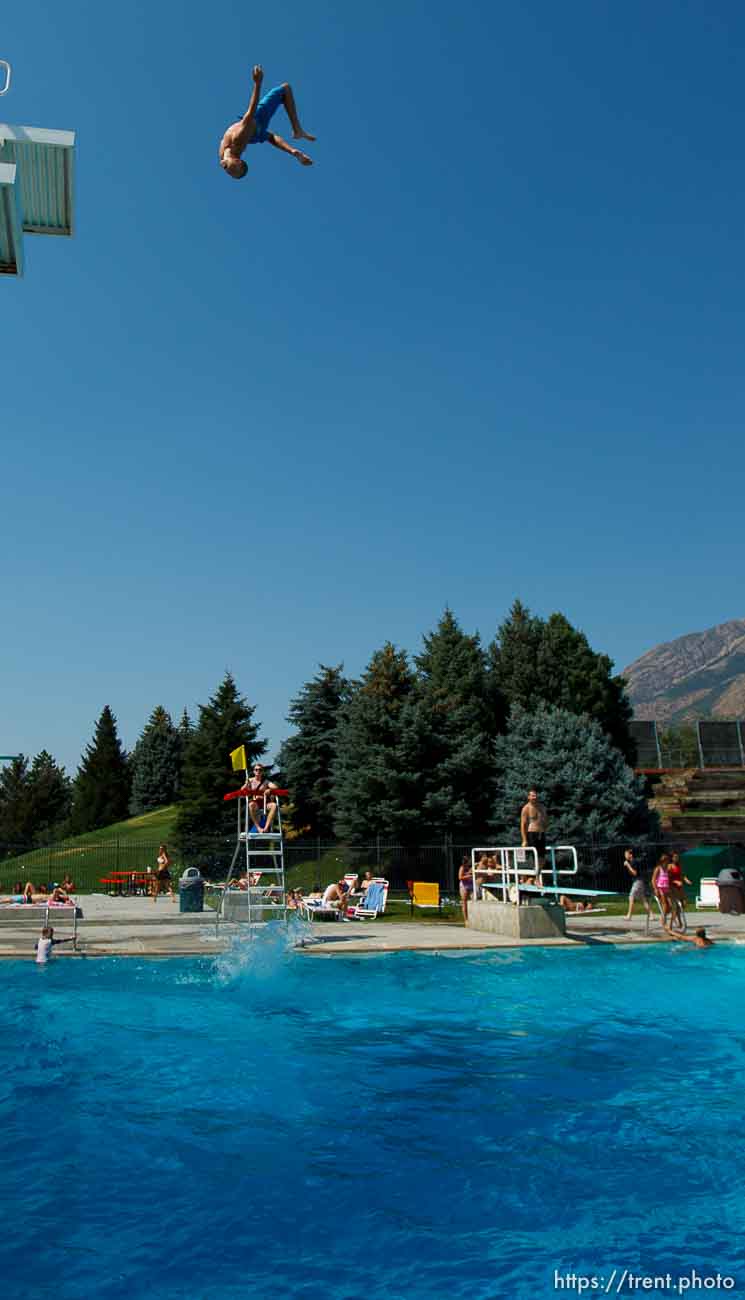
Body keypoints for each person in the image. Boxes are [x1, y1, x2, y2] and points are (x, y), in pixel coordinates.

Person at [219, 65, 315, 179]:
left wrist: (257, 84)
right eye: (232, 172)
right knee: (286, 88)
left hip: (254, 128)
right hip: (256, 125)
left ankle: (296, 137)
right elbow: (251, 113)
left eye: (231, 171)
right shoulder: (237, 140)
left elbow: (251, 111)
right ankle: (297, 133)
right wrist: (257, 84)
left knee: (269, 136)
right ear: (238, 160)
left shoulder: (229, 148)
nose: (228, 171)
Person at [520, 789, 548, 885]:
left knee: (542, 858)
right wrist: (524, 840)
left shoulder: (542, 807)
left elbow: (545, 820)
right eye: (532, 795)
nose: (534, 797)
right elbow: (523, 825)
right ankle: (534, 878)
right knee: (534, 857)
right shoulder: (526, 808)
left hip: (541, 833)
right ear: (528, 797)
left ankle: (536, 876)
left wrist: (544, 828)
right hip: (531, 833)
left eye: (535, 795)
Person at [245, 764, 280, 834]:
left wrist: (270, 790)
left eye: (260, 770)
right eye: (256, 769)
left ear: (262, 772)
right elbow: (242, 789)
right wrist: (246, 785)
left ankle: (266, 827)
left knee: (274, 805)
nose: (258, 771)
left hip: (264, 802)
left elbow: (276, 787)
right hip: (255, 803)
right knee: (250, 805)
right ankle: (258, 827)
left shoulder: (266, 781)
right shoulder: (250, 780)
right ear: (254, 771)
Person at [623, 848, 651, 922]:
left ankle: (629, 916)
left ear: (630, 855)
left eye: (626, 854)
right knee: (643, 899)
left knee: (631, 896)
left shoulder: (633, 862)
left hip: (638, 881)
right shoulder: (632, 862)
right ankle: (651, 915)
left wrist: (628, 865)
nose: (625, 855)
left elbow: (635, 873)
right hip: (639, 881)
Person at [668, 852, 692, 929]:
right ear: (671, 858)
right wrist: (676, 882)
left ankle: (676, 918)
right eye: (675, 857)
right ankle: (678, 921)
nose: (676, 858)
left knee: (684, 904)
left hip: (680, 887)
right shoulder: (670, 866)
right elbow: (668, 878)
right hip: (673, 887)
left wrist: (686, 880)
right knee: (676, 905)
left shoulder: (678, 866)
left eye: (677, 857)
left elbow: (682, 875)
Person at [652, 854, 673, 922]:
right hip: (660, 888)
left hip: (666, 888)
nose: (667, 863)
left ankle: (663, 915)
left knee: (671, 905)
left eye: (667, 861)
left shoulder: (667, 869)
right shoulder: (658, 869)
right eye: (665, 861)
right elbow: (653, 880)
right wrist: (655, 889)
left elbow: (668, 879)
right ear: (662, 862)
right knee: (664, 904)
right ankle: (663, 919)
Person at [458, 855, 473, 922]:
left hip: (470, 885)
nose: (470, 861)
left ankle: (471, 917)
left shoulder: (469, 867)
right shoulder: (462, 867)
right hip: (464, 886)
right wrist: (469, 875)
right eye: (469, 860)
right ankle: (466, 919)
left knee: (472, 900)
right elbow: (460, 877)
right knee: (464, 902)